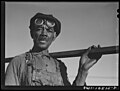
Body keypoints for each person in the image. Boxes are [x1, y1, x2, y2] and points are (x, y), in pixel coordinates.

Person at [5, 12, 102, 86]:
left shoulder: (60, 66)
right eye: (39, 29)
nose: (44, 33)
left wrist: (83, 71)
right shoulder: (18, 62)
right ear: (32, 33)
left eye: (49, 30)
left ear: (54, 36)